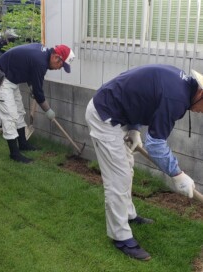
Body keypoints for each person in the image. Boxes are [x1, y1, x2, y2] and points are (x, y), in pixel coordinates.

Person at [85, 64, 203, 261]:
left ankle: (129, 215)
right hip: (104, 115)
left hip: (120, 114)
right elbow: (155, 144)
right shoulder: (176, 98)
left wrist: (134, 129)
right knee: (118, 179)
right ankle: (120, 237)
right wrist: (177, 175)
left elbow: (140, 95)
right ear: (201, 94)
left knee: (127, 170)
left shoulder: (181, 83)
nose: (201, 113)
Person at [0, 43, 75, 163]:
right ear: (56, 57)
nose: (59, 68)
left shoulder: (42, 54)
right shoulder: (41, 62)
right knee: (10, 116)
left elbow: (30, 72)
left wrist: (33, 88)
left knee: (19, 111)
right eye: (61, 65)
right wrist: (47, 110)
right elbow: (38, 92)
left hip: (11, 79)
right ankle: (15, 154)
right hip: (0, 77)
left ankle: (23, 144)